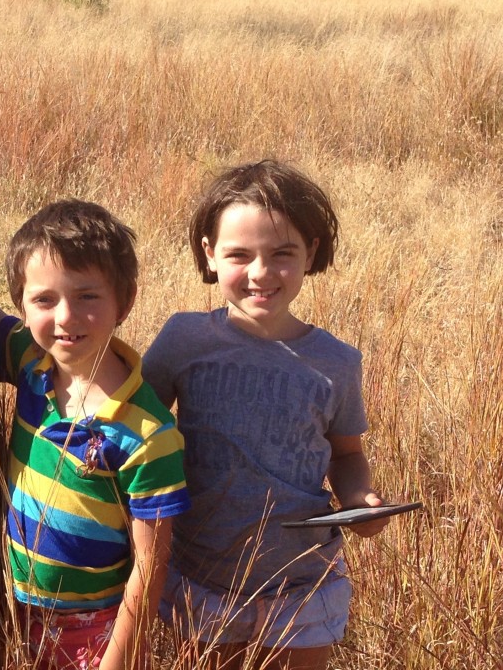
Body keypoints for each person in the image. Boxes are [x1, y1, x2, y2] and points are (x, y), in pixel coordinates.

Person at [142, 160, 389, 670]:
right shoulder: (185, 339)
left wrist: (362, 499)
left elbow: (346, 454)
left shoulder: (336, 362)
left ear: (310, 254)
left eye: (282, 254)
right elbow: (137, 425)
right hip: (204, 577)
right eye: (239, 255)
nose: (260, 273)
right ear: (210, 255)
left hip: (304, 579)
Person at [0, 199, 191, 670]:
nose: (65, 317)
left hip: (93, 631)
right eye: (44, 300)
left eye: (87, 296)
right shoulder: (32, 365)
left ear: (126, 300)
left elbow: (149, 564)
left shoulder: (147, 435)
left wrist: (117, 660)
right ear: (22, 305)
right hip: (10, 611)